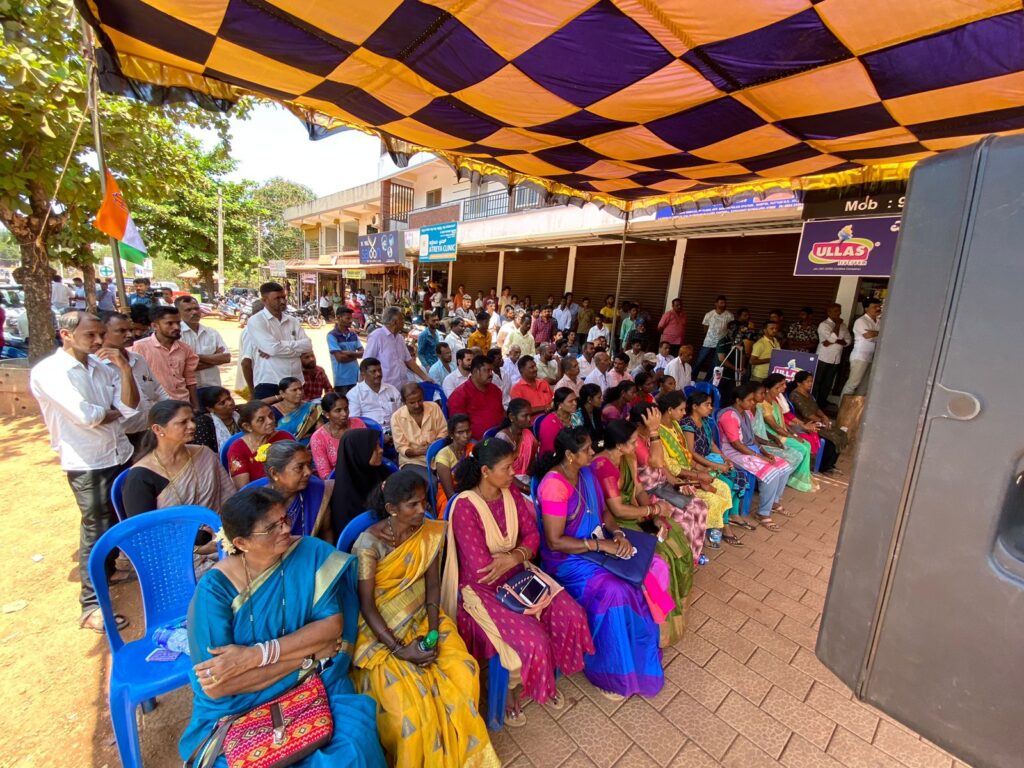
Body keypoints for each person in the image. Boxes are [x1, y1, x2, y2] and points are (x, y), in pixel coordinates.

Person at [179, 487, 386, 768]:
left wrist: (255, 656)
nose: (287, 528)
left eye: (285, 518)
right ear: (241, 542)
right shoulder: (214, 592)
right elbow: (219, 686)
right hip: (242, 705)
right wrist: (308, 657)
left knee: (353, 744)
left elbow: (331, 628)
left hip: (315, 681)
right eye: (272, 527)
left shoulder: (309, 552)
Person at [350, 471, 497, 765]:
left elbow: (432, 587)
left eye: (423, 502)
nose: (422, 510)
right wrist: (400, 649)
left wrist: (432, 632)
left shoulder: (428, 533)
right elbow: (367, 605)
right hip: (381, 630)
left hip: (423, 614)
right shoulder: (369, 544)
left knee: (464, 670)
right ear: (392, 509)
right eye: (413, 505)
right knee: (408, 710)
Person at [442, 437, 593, 723]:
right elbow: (482, 567)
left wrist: (514, 557)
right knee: (533, 639)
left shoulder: (509, 491)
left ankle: (544, 674)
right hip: (482, 588)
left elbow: (533, 535)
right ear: (485, 471)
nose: (514, 473)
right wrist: (520, 553)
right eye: (507, 468)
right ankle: (509, 691)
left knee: (571, 613)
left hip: (518, 573)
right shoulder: (465, 507)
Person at [30, 311, 141, 632]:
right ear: (65, 335)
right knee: (95, 529)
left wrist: (124, 370)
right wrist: (113, 411)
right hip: (88, 462)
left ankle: (108, 571)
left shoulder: (100, 365)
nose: (98, 341)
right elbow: (87, 416)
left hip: (119, 452)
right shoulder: (50, 372)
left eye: (100, 334)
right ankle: (91, 605)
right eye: (90, 335)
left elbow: (129, 408)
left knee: (116, 518)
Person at [536, 427, 663, 699]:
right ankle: (611, 671)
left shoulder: (586, 473)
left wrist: (617, 534)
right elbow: (555, 542)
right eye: (586, 450)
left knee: (640, 576)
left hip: (596, 544)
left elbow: (604, 513)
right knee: (614, 591)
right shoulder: (554, 486)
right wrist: (600, 545)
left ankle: (637, 656)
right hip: (567, 561)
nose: (593, 452)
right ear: (570, 455)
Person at [588, 419, 694, 646]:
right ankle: (658, 628)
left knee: (675, 535)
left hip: (635, 514)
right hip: (615, 523)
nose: (637, 445)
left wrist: (654, 516)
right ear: (619, 445)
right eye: (633, 441)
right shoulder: (602, 466)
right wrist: (652, 510)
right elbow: (617, 509)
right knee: (661, 556)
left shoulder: (628, 457)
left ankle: (678, 610)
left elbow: (638, 491)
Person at [123, 398, 235, 517]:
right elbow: (143, 525)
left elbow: (228, 495)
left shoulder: (204, 453)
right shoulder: (140, 476)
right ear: (157, 429)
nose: (192, 426)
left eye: (192, 420)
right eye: (183, 422)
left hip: (219, 524)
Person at [655, 391, 732, 559]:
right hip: (678, 478)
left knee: (724, 487)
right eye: (681, 409)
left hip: (690, 471)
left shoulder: (676, 425)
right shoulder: (658, 432)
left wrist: (700, 469)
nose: (684, 413)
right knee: (712, 499)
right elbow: (671, 467)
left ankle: (715, 529)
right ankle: (702, 537)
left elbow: (687, 456)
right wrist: (697, 476)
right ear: (670, 410)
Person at [717, 385, 794, 530]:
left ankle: (773, 502)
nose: (753, 403)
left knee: (784, 466)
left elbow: (752, 439)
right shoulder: (729, 416)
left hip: (747, 450)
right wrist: (759, 456)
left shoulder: (745, 414)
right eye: (750, 400)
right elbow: (736, 444)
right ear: (738, 400)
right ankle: (763, 514)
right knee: (771, 472)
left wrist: (765, 453)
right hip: (732, 453)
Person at [679, 393, 748, 544]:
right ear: (695, 406)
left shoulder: (704, 420)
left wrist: (724, 457)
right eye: (707, 404)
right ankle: (723, 524)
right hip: (698, 463)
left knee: (739, 476)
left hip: (709, 459)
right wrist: (715, 465)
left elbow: (711, 444)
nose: (711, 408)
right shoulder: (687, 424)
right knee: (727, 484)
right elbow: (691, 452)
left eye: (711, 404)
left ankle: (732, 515)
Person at [100, 312, 168, 449]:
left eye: (130, 330)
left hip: (149, 430)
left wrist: (171, 411)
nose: (130, 334)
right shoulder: (98, 366)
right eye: (121, 331)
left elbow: (157, 389)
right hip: (121, 438)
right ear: (103, 333)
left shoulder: (137, 358)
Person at [246, 281, 313, 400]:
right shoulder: (256, 321)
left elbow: (307, 346)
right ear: (264, 300)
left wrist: (279, 345)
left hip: (295, 382)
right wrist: (297, 350)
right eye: (277, 298)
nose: (282, 301)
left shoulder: (293, 321)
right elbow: (273, 349)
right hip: (269, 382)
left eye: (284, 297)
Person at [260, 440, 334, 540]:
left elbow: (327, 533)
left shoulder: (317, 491)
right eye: (299, 467)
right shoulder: (259, 505)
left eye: (309, 465)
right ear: (274, 473)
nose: (308, 472)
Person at [753, 376, 816, 493]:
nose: (783, 388)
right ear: (768, 389)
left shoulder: (775, 403)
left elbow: (782, 424)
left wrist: (795, 434)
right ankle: (791, 479)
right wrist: (793, 437)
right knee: (802, 449)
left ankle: (795, 478)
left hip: (780, 433)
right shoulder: (763, 405)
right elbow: (775, 427)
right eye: (779, 387)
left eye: (783, 385)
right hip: (774, 436)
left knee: (807, 444)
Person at [132, 305, 199, 408]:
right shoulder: (140, 347)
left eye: (178, 323)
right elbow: (137, 378)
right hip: (156, 406)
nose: (176, 327)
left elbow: (190, 380)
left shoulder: (185, 349)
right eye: (170, 323)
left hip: (183, 403)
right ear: (155, 326)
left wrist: (195, 407)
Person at [329, 429, 391, 535]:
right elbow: (350, 536)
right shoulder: (344, 499)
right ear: (358, 452)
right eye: (374, 447)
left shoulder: (382, 471)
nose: (381, 450)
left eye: (379, 445)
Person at [226, 400, 293, 489]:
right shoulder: (237, 449)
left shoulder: (284, 437)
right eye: (261, 420)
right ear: (247, 427)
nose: (270, 421)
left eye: (271, 415)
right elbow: (244, 488)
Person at [790, 371, 846, 472]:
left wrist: (824, 416)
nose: (810, 384)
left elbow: (816, 409)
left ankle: (831, 464)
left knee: (841, 434)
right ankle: (824, 466)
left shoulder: (808, 395)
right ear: (799, 383)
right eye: (808, 381)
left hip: (817, 422)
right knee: (833, 437)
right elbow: (807, 414)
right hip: (806, 424)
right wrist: (821, 421)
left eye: (811, 381)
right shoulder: (795, 395)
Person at [390, 382, 447, 482]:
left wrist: (435, 445)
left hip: (438, 455)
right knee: (431, 482)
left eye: (420, 400)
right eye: (412, 403)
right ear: (404, 402)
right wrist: (416, 452)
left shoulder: (434, 407)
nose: (417, 405)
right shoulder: (396, 417)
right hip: (413, 461)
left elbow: (444, 431)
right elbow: (401, 447)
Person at [364, 306, 429, 392]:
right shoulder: (376, 337)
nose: (404, 322)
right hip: (385, 388)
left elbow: (409, 361)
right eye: (402, 319)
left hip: (401, 387)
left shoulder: (400, 338)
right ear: (394, 322)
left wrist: (425, 377)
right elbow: (366, 363)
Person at [176, 295, 230, 390]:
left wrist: (194, 357)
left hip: (213, 387)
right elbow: (181, 367)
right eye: (188, 310)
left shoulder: (211, 333)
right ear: (178, 313)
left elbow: (226, 358)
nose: (194, 312)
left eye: (196, 308)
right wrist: (214, 359)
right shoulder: (176, 335)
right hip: (188, 390)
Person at [309, 392, 366, 480]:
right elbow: (325, 474)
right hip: (338, 481)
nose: (344, 414)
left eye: (346, 409)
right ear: (326, 414)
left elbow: (369, 453)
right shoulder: (318, 438)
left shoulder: (358, 424)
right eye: (338, 410)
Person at [447, 355, 505, 440]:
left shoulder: (496, 390)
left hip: (499, 437)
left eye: (491, 370)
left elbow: (501, 414)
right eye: (487, 370)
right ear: (475, 371)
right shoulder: (459, 394)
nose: (491, 374)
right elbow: (458, 428)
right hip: (472, 442)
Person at [431, 414, 474, 515]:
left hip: (471, 491)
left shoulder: (473, 449)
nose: (466, 435)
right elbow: (450, 494)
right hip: (450, 498)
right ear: (451, 434)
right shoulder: (443, 456)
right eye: (460, 432)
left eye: (468, 431)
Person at [495, 398, 538, 494]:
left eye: (530, 415)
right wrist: (525, 488)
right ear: (512, 417)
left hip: (526, 479)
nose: (529, 419)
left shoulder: (528, 434)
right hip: (507, 483)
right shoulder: (502, 438)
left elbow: (532, 462)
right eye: (524, 416)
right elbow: (502, 471)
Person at [347, 357, 402, 432]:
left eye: (379, 370)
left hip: (396, 431)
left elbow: (401, 413)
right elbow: (354, 422)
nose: (378, 374)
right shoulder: (354, 394)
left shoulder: (392, 389)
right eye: (373, 371)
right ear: (363, 375)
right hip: (369, 434)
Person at [814, 303, 851, 408]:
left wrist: (834, 341)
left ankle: (822, 403)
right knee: (817, 381)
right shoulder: (824, 325)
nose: (839, 313)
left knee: (828, 382)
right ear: (829, 312)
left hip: (836, 358)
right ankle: (813, 402)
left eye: (839, 311)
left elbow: (848, 341)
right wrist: (837, 326)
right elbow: (831, 339)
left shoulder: (844, 326)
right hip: (823, 357)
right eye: (836, 311)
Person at [843, 298, 882, 395]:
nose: (878, 309)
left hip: (871, 357)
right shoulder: (861, 321)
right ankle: (842, 404)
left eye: (879, 306)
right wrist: (880, 333)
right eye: (875, 307)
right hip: (860, 357)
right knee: (852, 385)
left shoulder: (879, 321)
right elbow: (868, 336)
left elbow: (881, 336)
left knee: (863, 387)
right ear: (866, 309)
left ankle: (855, 405)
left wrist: (876, 333)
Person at [270, 376, 321, 444]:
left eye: (301, 389)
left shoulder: (311, 408)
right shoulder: (273, 411)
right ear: (282, 393)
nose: (299, 392)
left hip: (310, 446)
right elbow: (270, 435)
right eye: (294, 390)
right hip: (282, 448)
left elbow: (320, 431)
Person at [191, 386, 240, 454]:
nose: (230, 403)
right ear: (210, 409)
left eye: (229, 398)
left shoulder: (240, 413)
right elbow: (204, 453)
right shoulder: (204, 423)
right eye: (222, 403)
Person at [694, 296, 733, 379]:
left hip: (720, 345)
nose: (723, 304)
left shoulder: (729, 316)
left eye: (724, 303)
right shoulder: (709, 314)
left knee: (714, 365)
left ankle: (707, 381)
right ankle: (692, 379)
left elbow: (730, 329)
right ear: (716, 304)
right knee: (699, 361)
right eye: (721, 303)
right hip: (708, 343)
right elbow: (705, 328)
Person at [327, 306, 363, 397]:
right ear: (338, 318)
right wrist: (356, 355)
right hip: (341, 379)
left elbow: (363, 353)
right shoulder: (332, 336)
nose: (351, 321)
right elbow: (340, 358)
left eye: (351, 318)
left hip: (355, 377)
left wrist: (347, 353)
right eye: (348, 318)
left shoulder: (353, 334)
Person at [537, 387, 578, 454]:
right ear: (559, 404)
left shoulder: (575, 416)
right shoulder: (548, 423)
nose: (575, 403)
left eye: (575, 400)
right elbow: (551, 450)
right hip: (555, 457)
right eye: (570, 401)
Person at [572, 383, 605, 449]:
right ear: (589, 399)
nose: (602, 400)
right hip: (586, 448)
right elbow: (581, 441)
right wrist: (603, 443)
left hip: (598, 444)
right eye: (599, 397)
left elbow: (601, 432)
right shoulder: (577, 415)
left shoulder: (597, 410)